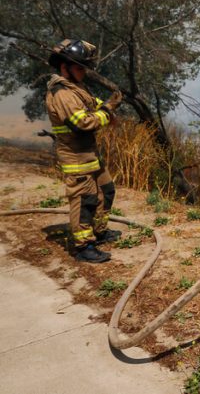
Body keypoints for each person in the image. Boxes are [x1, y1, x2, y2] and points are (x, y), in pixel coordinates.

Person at [45, 39, 123, 263]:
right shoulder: (61, 94)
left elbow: (91, 103)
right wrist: (107, 112)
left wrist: (108, 104)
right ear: (64, 67)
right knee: (85, 199)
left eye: (84, 67)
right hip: (75, 157)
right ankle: (83, 247)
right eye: (80, 67)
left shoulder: (76, 88)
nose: (83, 71)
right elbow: (82, 123)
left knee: (106, 190)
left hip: (89, 155)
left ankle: (98, 232)